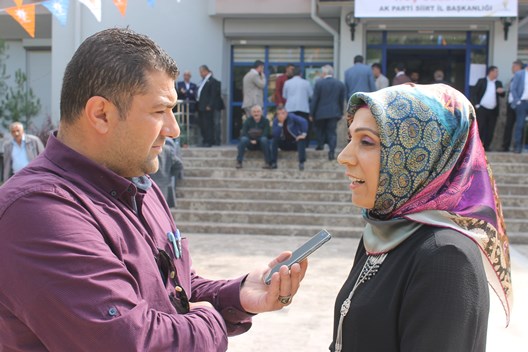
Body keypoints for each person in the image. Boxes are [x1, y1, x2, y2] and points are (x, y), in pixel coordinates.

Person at [0, 28, 308, 351]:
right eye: (160, 111)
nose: (173, 129)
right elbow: (130, 342)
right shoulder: (36, 212)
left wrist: (238, 294)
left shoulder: (137, 186)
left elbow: (173, 291)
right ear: (101, 114)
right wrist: (212, 322)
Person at [330, 83, 511, 352]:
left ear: (419, 155)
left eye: (366, 141)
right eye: (350, 139)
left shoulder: (446, 256)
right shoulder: (384, 234)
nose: (343, 157)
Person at [310, 64, 345, 160]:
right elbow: (341, 100)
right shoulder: (339, 84)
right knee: (332, 132)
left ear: (324, 73)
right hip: (334, 112)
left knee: (319, 129)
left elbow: (315, 99)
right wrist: (341, 112)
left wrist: (311, 113)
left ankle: (320, 144)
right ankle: (331, 152)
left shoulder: (319, 83)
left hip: (320, 112)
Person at [471, 66, 505, 151]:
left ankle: (487, 146)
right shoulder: (482, 81)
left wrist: (502, 92)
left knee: (491, 129)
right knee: (481, 127)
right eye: (496, 71)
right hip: (482, 109)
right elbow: (474, 93)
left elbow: (502, 95)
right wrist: (477, 105)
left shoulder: (498, 83)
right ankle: (477, 146)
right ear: (491, 72)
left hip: (493, 110)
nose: (497, 74)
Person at [271, 106, 308, 171]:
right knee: (274, 140)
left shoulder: (291, 117)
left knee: (301, 140)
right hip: (284, 143)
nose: (281, 115)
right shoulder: (276, 121)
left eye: (283, 113)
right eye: (279, 114)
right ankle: (273, 162)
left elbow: (304, 121)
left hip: (294, 142)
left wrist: (303, 134)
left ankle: (301, 162)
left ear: (286, 113)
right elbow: (275, 135)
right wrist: (280, 124)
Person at [150, 137, 184, 208]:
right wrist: (169, 175)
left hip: (150, 186)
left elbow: (179, 165)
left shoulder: (147, 149)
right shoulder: (167, 149)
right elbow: (179, 165)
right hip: (164, 186)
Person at [283, 66, 313, 143]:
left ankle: (292, 142)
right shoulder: (306, 83)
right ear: (301, 74)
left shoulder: (287, 83)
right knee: (304, 126)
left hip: (290, 108)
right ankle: (304, 143)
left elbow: (284, 96)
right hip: (303, 108)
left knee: (291, 126)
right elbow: (311, 95)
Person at [236, 105, 271, 169]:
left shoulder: (266, 121)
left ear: (261, 112)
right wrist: (250, 140)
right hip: (250, 143)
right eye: (254, 112)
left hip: (261, 144)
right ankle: (239, 162)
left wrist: (257, 140)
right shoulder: (247, 121)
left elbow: (266, 133)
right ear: (252, 113)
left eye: (258, 112)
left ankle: (267, 162)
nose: (256, 113)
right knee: (243, 139)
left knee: (264, 139)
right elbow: (244, 133)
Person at [501, 60, 524, 152]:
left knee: (520, 125)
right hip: (510, 104)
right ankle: (505, 146)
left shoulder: (524, 78)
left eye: (513, 67)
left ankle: (518, 146)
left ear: (518, 67)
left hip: (519, 104)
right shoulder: (512, 78)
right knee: (508, 125)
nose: (512, 68)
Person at [197, 64, 221, 147]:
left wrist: (209, 105)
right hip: (201, 106)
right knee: (203, 124)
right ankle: (205, 140)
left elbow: (213, 95)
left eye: (201, 72)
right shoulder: (203, 81)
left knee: (208, 124)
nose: (200, 74)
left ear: (206, 71)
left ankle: (209, 141)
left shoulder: (212, 81)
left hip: (207, 107)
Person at [507, 60, 528, 153]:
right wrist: (517, 100)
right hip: (522, 103)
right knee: (520, 125)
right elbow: (513, 88)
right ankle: (517, 147)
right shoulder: (519, 74)